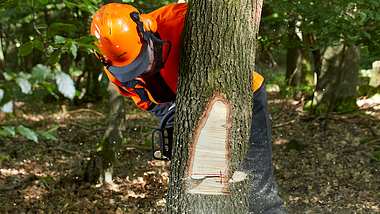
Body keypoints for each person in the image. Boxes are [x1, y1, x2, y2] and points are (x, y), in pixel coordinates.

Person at [90, 3, 285, 213]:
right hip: (188, 109)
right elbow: (147, 102)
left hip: (244, 96)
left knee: (257, 189)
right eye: (132, 67)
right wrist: (172, 114)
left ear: (147, 29)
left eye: (142, 60)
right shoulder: (117, 70)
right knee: (205, 191)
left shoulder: (184, 20)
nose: (142, 70)